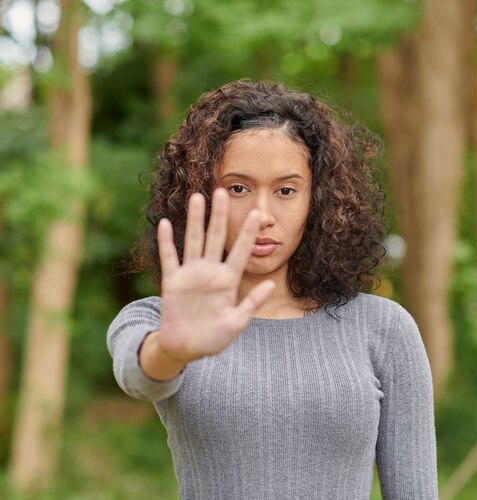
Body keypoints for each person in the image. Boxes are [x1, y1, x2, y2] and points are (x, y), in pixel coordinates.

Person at [107, 79, 438, 499]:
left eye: (285, 190)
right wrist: (172, 348)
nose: (261, 215)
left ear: (316, 199)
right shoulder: (159, 318)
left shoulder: (384, 328)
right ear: (202, 196)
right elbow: (141, 377)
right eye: (238, 188)